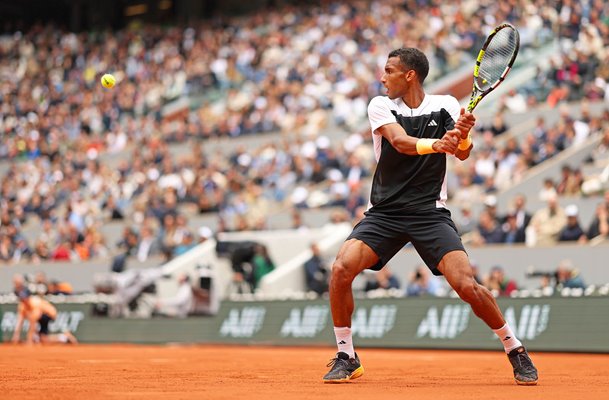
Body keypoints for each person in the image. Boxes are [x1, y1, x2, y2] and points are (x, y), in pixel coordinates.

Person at [322, 48, 537, 385]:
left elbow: (462, 153)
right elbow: (400, 141)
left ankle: (515, 349)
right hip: (385, 212)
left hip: (429, 213)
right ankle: (346, 355)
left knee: (466, 285)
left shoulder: (447, 105)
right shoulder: (380, 105)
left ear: (410, 75)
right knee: (340, 269)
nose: (383, 77)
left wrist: (461, 134)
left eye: (390, 71)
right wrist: (438, 144)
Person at [11, 274, 78, 344]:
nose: (24, 299)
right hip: (42, 316)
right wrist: (16, 335)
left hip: (48, 314)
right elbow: (20, 321)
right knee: (43, 339)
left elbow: (33, 323)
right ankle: (64, 338)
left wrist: (29, 340)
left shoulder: (34, 303)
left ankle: (37, 337)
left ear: (28, 296)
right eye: (22, 298)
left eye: (25, 297)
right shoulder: (21, 306)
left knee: (37, 332)